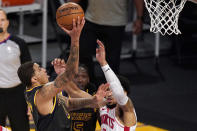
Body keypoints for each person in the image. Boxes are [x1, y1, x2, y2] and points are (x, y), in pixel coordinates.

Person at [17, 17, 109, 131]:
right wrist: (75, 38)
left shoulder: (41, 93)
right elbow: (71, 73)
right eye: (39, 69)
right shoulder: (42, 93)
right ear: (34, 79)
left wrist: (92, 101)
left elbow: (68, 104)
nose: (44, 70)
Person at [70, 0, 144, 82]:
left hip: (116, 22)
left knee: (112, 63)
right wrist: (70, 11)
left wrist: (139, 18)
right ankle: (89, 85)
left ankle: (110, 88)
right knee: (83, 53)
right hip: (91, 19)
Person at [0, 9, 31, 131]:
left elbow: (29, 73)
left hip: (18, 95)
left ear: (7, 22)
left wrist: (31, 100)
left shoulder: (19, 43)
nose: (0, 23)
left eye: (2, 20)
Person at [96, 40, 137, 131]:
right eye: (108, 90)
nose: (109, 94)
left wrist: (103, 63)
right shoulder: (102, 105)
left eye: (112, 90)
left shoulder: (127, 110)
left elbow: (118, 93)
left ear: (125, 93)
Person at [70, 64, 99, 131]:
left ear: (88, 79)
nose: (80, 80)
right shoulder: (63, 95)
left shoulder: (95, 97)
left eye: (83, 77)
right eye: (76, 76)